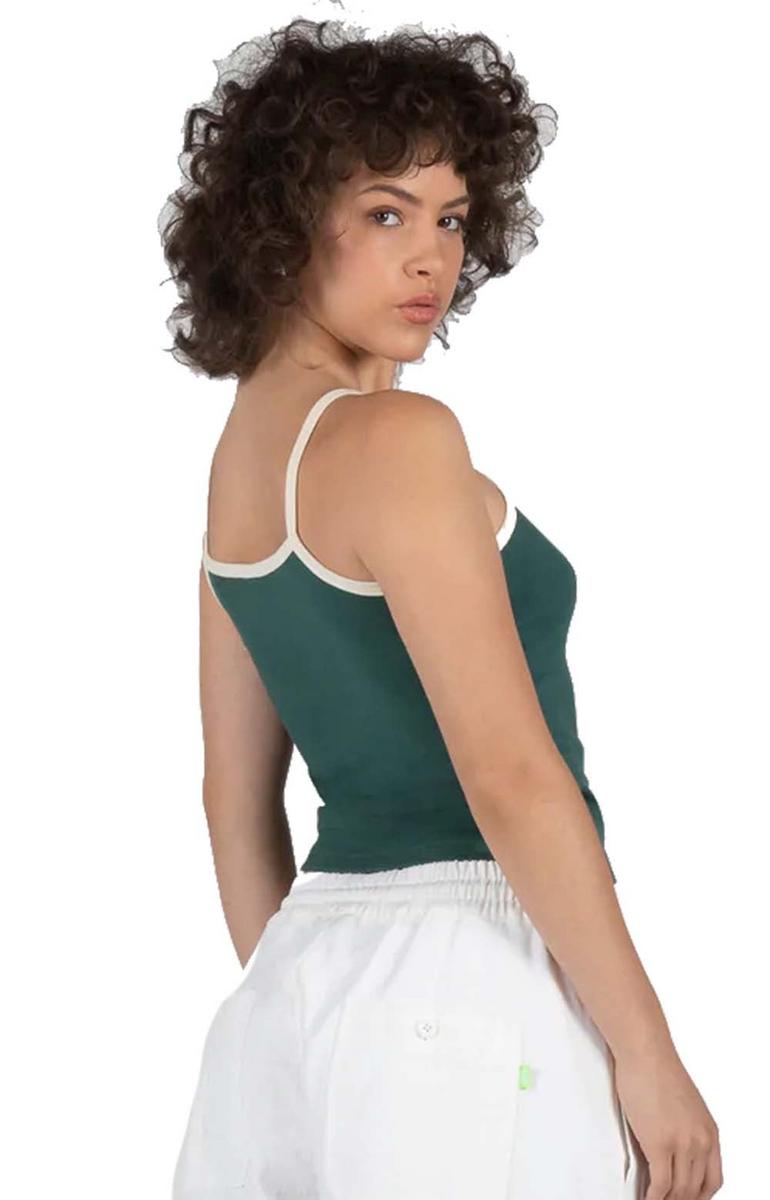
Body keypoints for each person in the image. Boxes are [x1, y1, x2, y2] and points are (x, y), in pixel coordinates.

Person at [158, 17, 722, 1200]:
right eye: (384, 213)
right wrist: (647, 1053)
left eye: (452, 219)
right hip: (472, 965)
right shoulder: (399, 440)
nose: (430, 258)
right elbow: (509, 777)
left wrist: (314, 1021)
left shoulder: (237, 465)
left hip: (301, 980)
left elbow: (230, 794)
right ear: (278, 220)